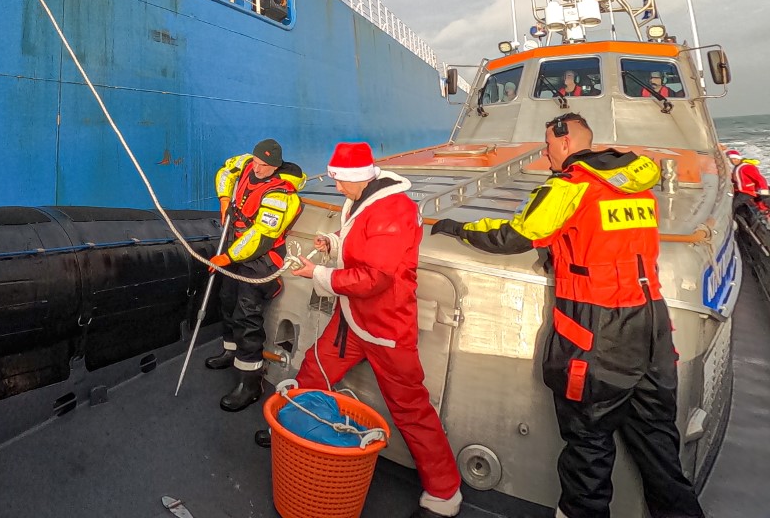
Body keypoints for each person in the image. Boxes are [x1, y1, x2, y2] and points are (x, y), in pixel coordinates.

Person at [431, 114, 704, 518]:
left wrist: (458, 229)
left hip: (598, 330)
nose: (546, 154)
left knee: (588, 445)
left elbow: (513, 236)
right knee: (658, 443)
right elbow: (605, 241)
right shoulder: (635, 184)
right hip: (653, 325)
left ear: (565, 141)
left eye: (547, 146)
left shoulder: (569, 187)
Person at [274, 141, 462, 518]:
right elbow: (360, 245)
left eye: (340, 180)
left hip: (385, 327)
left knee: (410, 407)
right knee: (314, 370)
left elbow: (375, 278)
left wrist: (317, 273)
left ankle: (444, 494)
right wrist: (334, 243)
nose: (336, 187)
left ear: (358, 177)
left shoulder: (394, 211)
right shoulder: (363, 198)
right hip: (351, 318)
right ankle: (295, 435)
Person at [204, 139, 304, 412]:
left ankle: (250, 383)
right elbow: (226, 171)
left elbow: (261, 236)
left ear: (276, 166)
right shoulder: (247, 163)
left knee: (246, 315)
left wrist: (228, 257)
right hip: (236, 245)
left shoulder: (281, 194)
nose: (257, 169)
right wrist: (225, 198)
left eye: (265, 166)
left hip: (260, 258)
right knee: (227, 299)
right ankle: (230, 350)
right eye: (256, 162)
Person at [727, 149, 769, 213]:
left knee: (734, 205)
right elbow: (737, 179)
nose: (733, 161)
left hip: (748, 192)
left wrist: (764, 191)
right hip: (741, 191)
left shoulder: (746, 167)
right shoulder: (737, 167)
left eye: (735, 159)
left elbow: (760, 179)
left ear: (739, 158)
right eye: (731, 159)